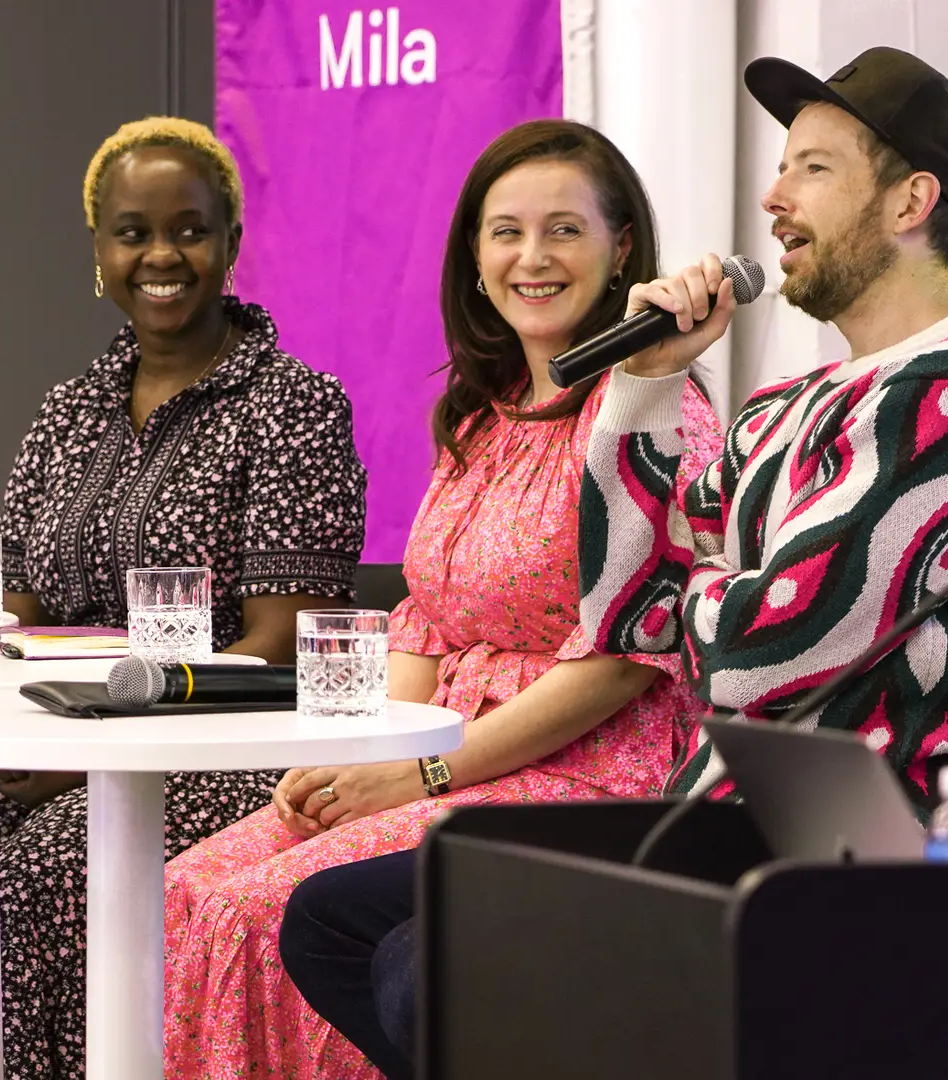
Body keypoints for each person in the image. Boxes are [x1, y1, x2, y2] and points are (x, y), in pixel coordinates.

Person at [279, 45, 948, 1070]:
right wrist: (648, 381)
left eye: (815, 168)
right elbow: (629, 609)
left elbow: (756, 652)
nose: (774, 195)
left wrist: (702, 597)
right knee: (330, 919)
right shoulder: (798, 402)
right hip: (721, 819)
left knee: (432, 969)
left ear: (912, 199)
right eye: (783, 164)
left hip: (834, 862)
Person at [160, 119, 723, 1079]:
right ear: (473, 254)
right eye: (505, 232)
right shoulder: (482, 410)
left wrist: (418, 778)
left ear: (622, 247)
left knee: (259, 909)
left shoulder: (657, 414)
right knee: (190, 886)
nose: (531, 258)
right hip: (440, 757)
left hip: (581, 776)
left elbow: (627, 658)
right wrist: (359, 761)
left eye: (563, 231)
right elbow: (432, 621)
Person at [0, 117, 366, 1079]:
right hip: (54, 744)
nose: (162, 255)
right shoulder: (65, 408)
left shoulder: (295, 404)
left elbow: (280, 646)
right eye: (133, 231)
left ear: (232, 245)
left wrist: (99, 741)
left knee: (42, 886)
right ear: (99, 251)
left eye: (190, 229)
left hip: (216, 754)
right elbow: (27, 610)